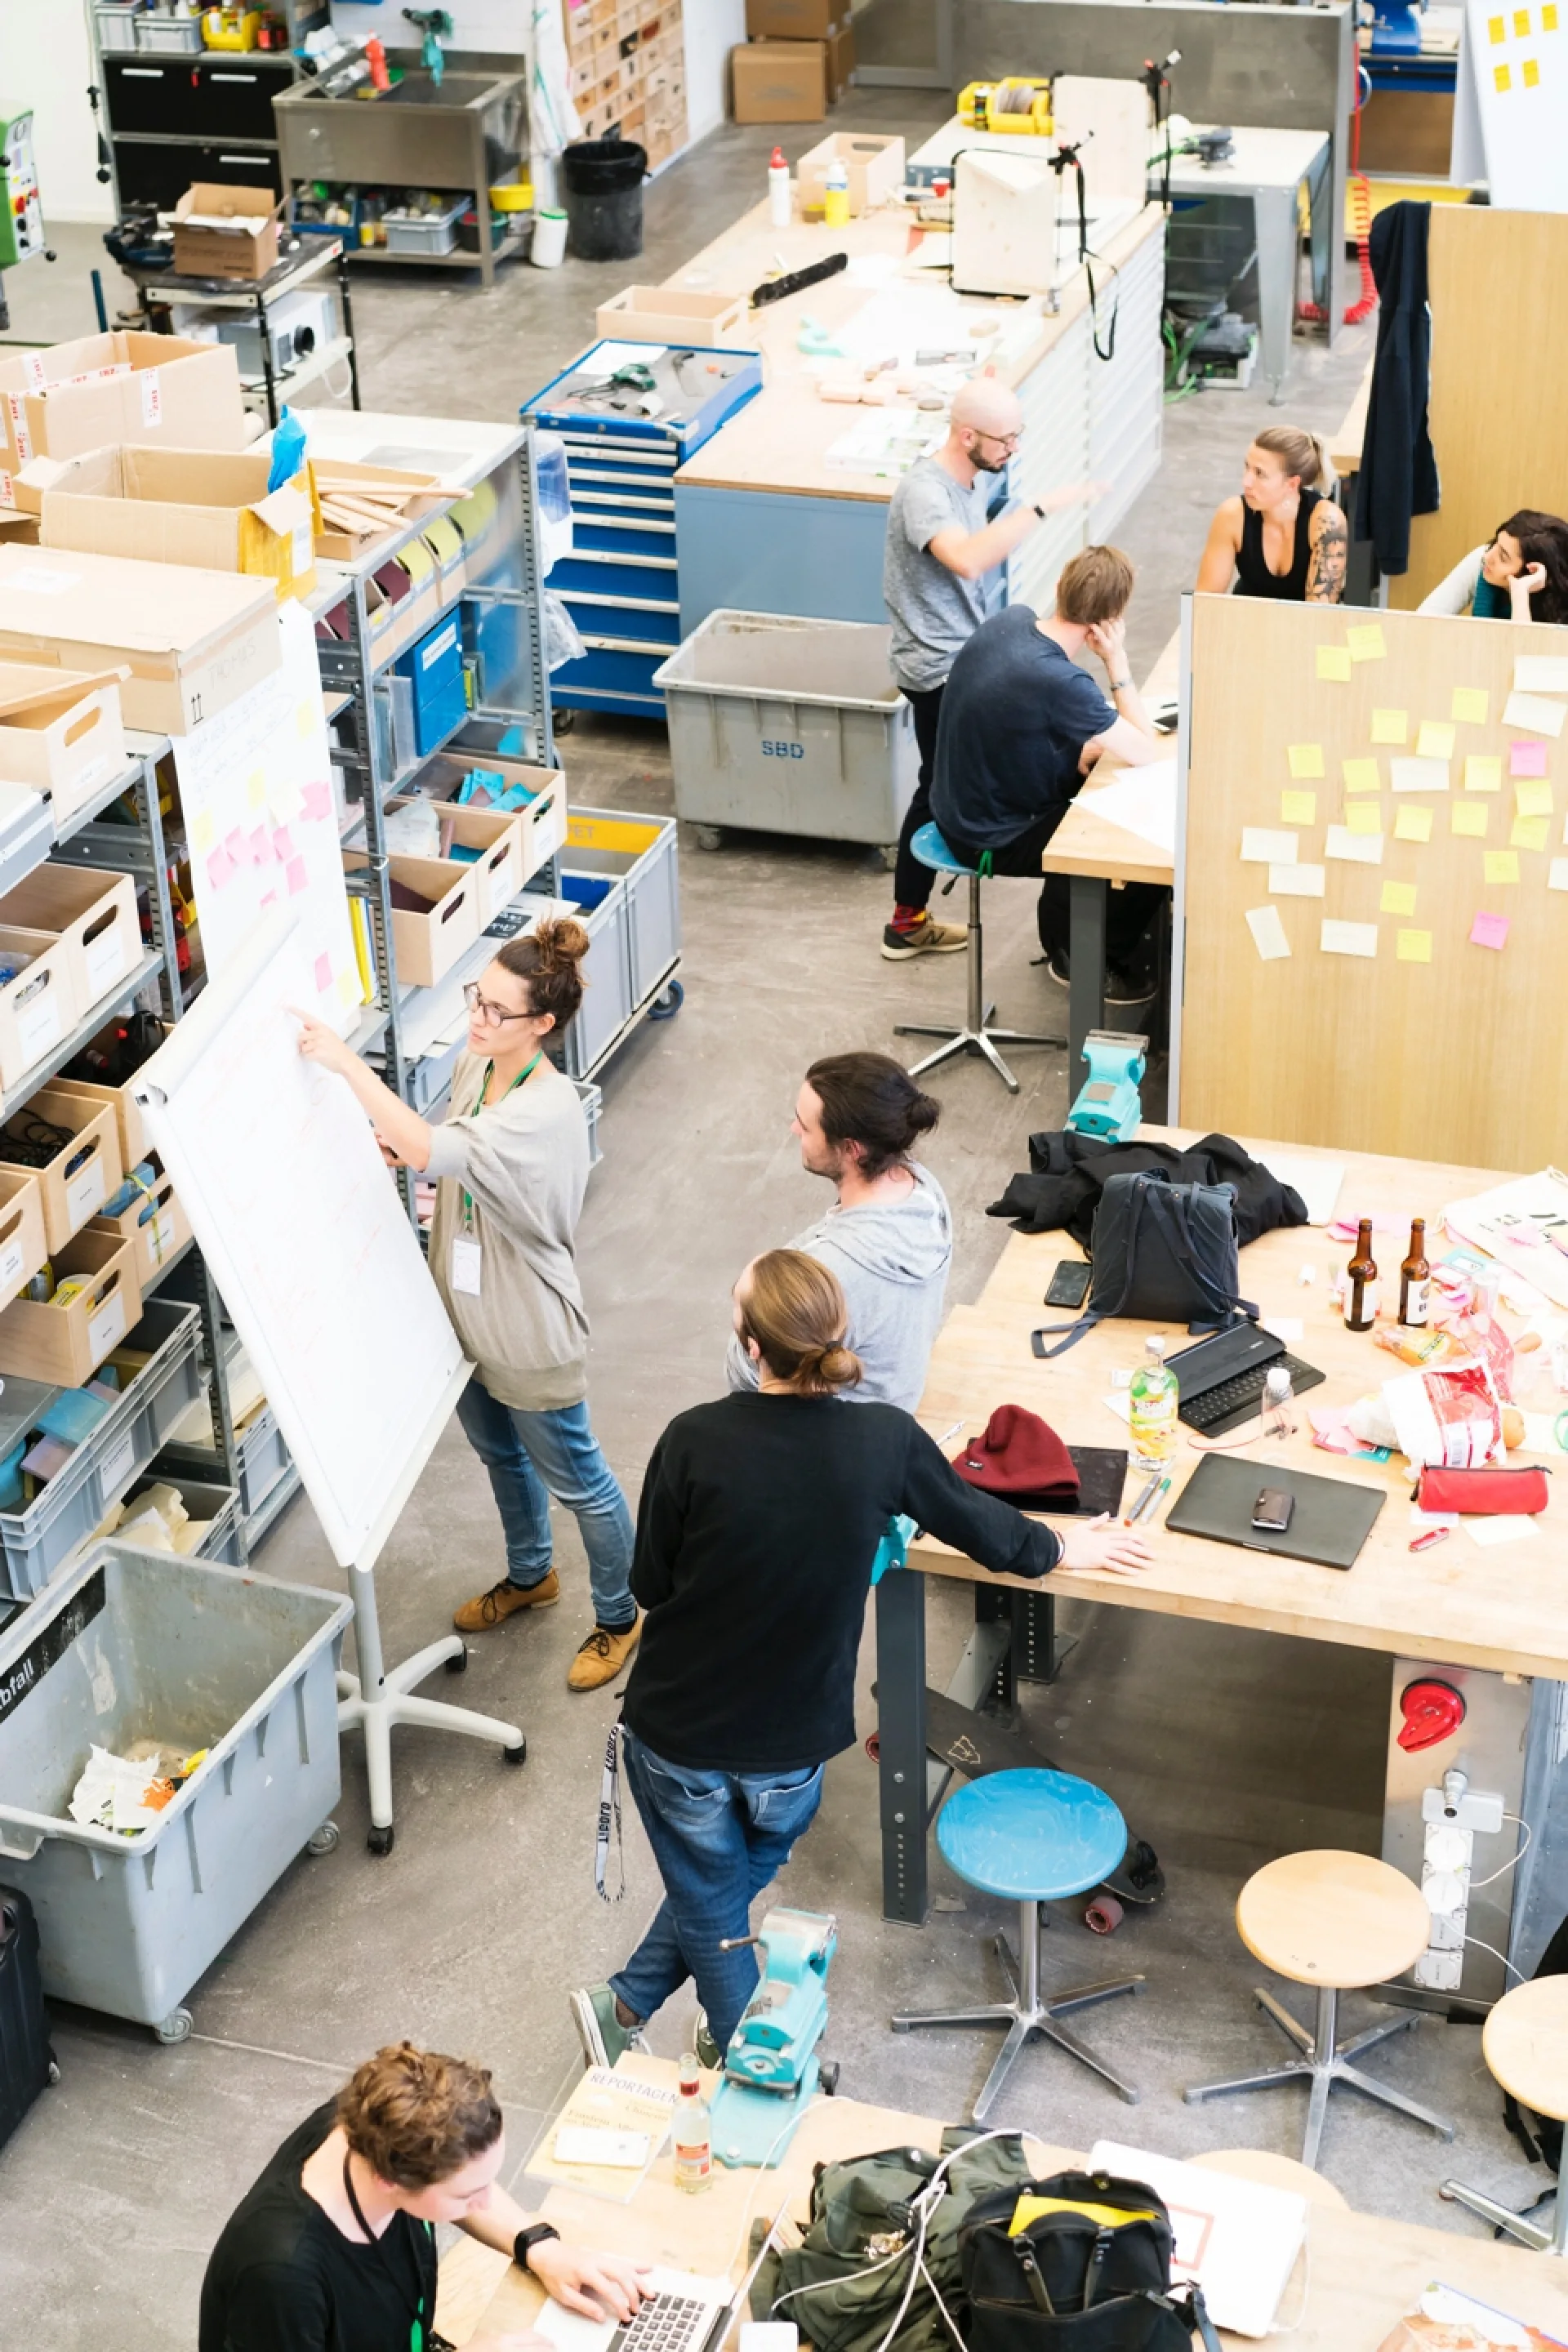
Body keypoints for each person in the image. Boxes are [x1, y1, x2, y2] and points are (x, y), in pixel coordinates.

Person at [570, 1250, 1153, 2070]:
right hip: (793, 1753)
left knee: (713, 1896)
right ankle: (655, 2019)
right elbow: (987, 1531)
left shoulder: (693, 1440)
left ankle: (738, 2058)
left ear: (749, 1344)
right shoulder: (883, 1442)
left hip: (678, 1735)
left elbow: (651, 1586)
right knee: (720, 1891)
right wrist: (1067, 1546)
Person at [292, 920, 640, 1694]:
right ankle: (531, 1576)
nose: (476, 1020)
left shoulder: (543, 1109)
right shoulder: (479, 1066)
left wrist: (348, 1065)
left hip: (525, 1329)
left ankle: (620, 1616)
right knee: (500, 1456)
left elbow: (432, 1148)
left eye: (495, 1011)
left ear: (543, 1026)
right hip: (464, 1318)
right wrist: (416, 1145)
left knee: (579, 1479)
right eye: (475, 1000)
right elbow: (444, 1145)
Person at [199, 2038, 649, 2352]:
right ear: (392, 2181)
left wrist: (542, 2248)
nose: (484, 2203)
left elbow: (465, 2184)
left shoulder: (376, 2123)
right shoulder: (282, 2277)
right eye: (467, 2196)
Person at [881, 377, 1105, 961]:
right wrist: (1043, 506)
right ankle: (907, 921)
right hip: (936, 666)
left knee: (943, 781)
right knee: (937, 787)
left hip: (963, 652)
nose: (1014, 450)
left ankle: (910, 916)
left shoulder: (970, 476)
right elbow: (969, 559)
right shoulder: (924, 492)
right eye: (1005, 440)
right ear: (966, 435)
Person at [929, 543, 1168, 999]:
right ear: (1113, 618)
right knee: (1140, 846)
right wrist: (1115, 661)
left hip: (958, 803)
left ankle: (1061, 930)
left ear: (1059, 586)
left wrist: (1075, 750)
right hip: (988, 837)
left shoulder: (1012, 620)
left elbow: (1015, 721)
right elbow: (1143, 751)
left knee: (1094, 766)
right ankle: (1081, 955)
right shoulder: (1063, 682)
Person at [724, 1051, 950, 1411]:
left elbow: (750, 1376)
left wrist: (750, 1299)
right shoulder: (922, 1189)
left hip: (837, 1437)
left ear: (851, 1149)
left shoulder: (833, 1272)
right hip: (895, 1403)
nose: (793, 1129)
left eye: (805, 1125)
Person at [1194, 426, 1348, 603]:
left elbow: (1318, 614)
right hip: (1247, 620)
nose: (1246, 482)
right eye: (1247, 468)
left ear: (1292, 484)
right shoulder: (1232, 515)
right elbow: (1205, 602)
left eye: (1260, 473)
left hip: (1302, 625)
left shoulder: (1326, 522)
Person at [1419, 509, 1568, 622]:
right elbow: (1423, 622)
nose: (1487, 557)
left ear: (1531, 572)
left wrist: (1520, 593)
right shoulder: (1483, 560)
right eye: (1495, 542)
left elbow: (1522, 657)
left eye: (1503, 557)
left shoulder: (1559, 607)